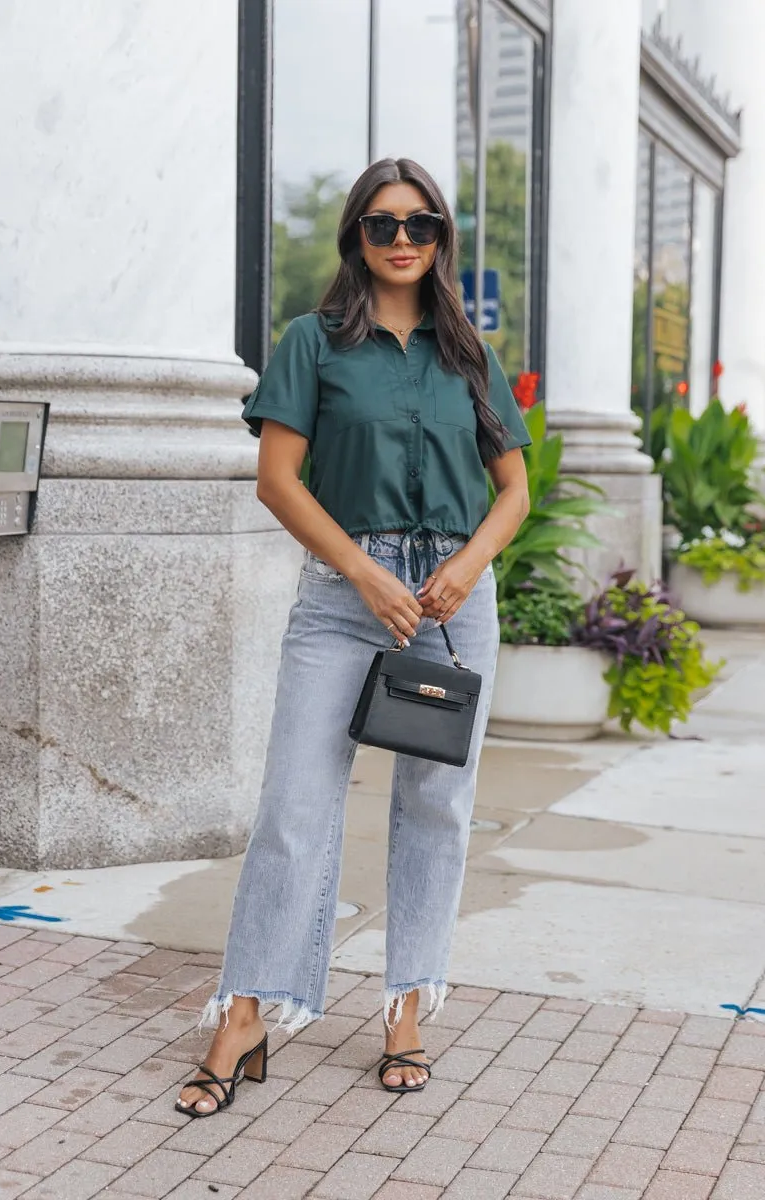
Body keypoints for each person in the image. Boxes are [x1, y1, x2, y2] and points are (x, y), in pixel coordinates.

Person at [176, 157, 530, 1117]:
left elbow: (515, 491)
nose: (403, 240)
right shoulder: (314, 341)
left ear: (442, 238)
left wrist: (465, 566)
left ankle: (408, 1008)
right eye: (383, 225)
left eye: (420, 225)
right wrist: (368, 573)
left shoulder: (470, 354)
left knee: (436, 806)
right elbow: (278, 482)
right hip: (344, 594)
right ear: (357, 238)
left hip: (455, 603)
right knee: (295, 805)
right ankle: (245, 1015)